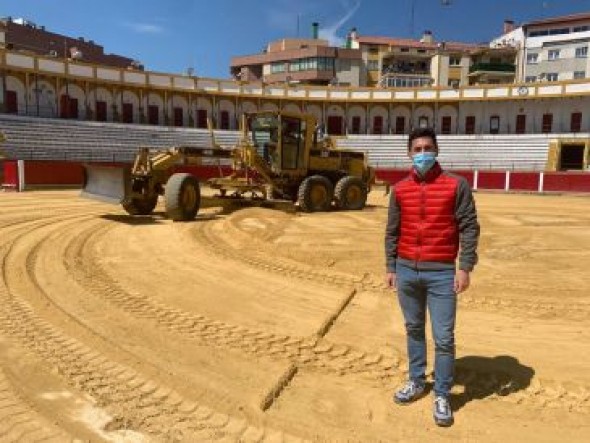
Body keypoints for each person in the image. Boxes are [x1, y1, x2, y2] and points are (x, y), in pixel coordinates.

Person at [384, 127, 480, 427]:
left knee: (444, 337)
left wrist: (464, 267)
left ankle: (441, 392)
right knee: (413, 328)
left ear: (436, 150)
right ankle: (416, 380)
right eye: (417, 148)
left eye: (428, 147)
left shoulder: (456, 185)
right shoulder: (399, 189)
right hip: (406, 270)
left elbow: (469, 227)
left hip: (441, 273)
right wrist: (390, 266)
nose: (423, 152)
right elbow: (392, 231)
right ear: (409, 153)